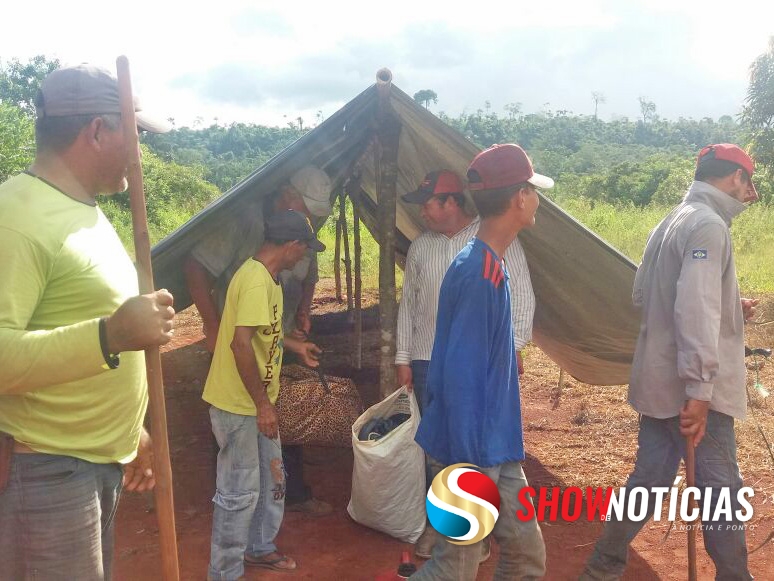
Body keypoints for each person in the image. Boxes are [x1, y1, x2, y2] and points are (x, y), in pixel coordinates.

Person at [0, 64, 175, 580]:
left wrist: (130, 429)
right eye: (136, 134)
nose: (141, 151)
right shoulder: (17, 217)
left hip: (85, 464)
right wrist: (111, 335)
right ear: (98, 131)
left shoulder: (86, 211)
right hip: (46, 470)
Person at [580, 144, 760, 581]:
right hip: (692, 393)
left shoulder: (671, 220)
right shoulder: (709, 226)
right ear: (734, 177)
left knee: (648, 482)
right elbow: (694, 308)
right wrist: (700, 389)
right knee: (723, 495)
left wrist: (729, 304)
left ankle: (601, 567)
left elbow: (651, 295)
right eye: (749, 183)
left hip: (657, 382)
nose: (751, 194)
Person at [411, 144, 550, 580]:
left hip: (497, 445)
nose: (537, 199)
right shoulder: (478, 273)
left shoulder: (491, 262)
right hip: (470, 450)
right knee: (453, 569)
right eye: (533, 189)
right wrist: (468, 469)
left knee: (527, 558)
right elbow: (459, 375)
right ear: (519, 198)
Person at [185, 165, 333, 516]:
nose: (310, 218)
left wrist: (300, 318)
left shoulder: (299, 234)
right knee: (237, 420)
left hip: (275, 339)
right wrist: (211, 325)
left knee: (280, 413)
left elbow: (307, 275)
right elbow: (196, 266)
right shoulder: (246, 225)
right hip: (241, 342)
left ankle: (285, 493)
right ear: (287, 194)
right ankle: (234, 502)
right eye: (305, 210)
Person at [203, 210, 325, 579]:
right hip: (239, 406)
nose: (303, 256)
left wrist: (293, 346)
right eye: (303, 248)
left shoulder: (267, 277)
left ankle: (259, 547)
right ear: (290, 245)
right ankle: (224, 572)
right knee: (238, 492)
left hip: (256, 404)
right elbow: (241, 346)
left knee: (272, 478)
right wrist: (262, 406)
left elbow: (261, 333)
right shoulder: (256, 281)